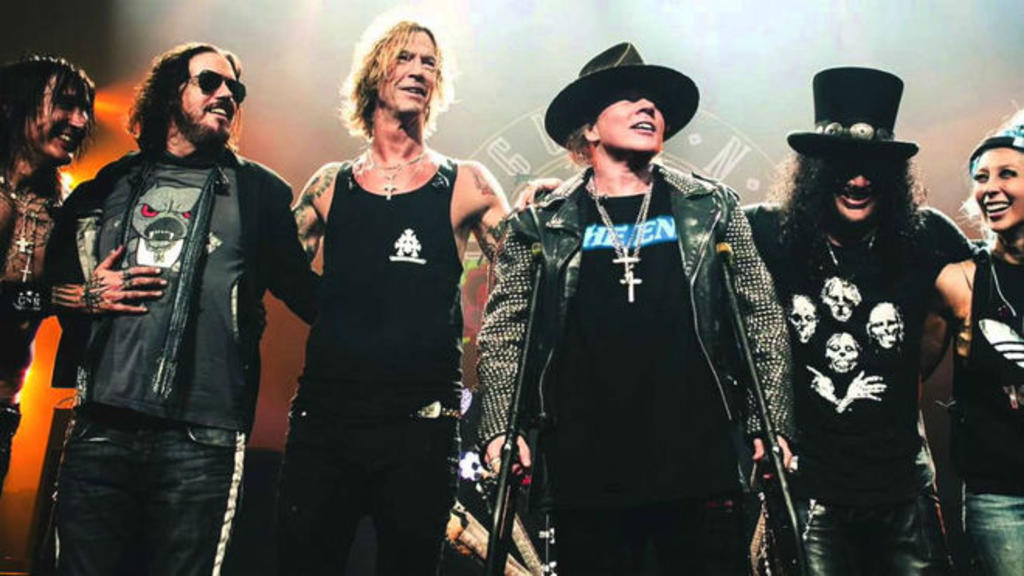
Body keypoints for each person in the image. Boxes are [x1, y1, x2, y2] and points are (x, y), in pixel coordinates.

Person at [476, 42, 794, 576]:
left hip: (697, 463)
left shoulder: (711, 207)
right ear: (590, 128)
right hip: (585, 470)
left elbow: (761, 315)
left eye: (654, 101)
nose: (647, 107)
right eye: (627, 97)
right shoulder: (542, 223)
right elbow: (504, 332)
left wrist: (773, 420)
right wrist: (498, 431)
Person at [45, 42, 318, 575]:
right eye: (210, 82)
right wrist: (86, 295)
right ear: (173, 92)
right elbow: (46, 285)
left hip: (204, 436)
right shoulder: (108, 185)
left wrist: (387, 301)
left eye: (236, 90)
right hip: (103, 426)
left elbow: (304, 293)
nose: (227, 96)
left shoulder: (260, 194)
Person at [279, 19, 510, 575]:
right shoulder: (331, 184)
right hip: (326, 421)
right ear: (374, 73)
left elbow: (523, 273)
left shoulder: (465, 183)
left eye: (430, 63)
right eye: (405, 57)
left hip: (420, 428)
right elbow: (276, 267)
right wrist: (335, 313)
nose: (419, 70)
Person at [746, 67, 971, 575]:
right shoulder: (768, 232)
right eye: (844, 165)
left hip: (903, 490)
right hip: (811, 491)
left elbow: (996, 285)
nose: (860, 180)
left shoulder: (926, 237)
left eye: (874, 167)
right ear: (814, 171)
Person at [928, 114, 1024, 576]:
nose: (990, 188)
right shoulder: (961, 282)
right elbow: (905, 376)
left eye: (1007, 174)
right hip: (999, 498)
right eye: (981, 177)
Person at [0, 55, 94, 494]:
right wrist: (56, 297)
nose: (80, 121)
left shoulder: (61, 208)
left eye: (84, 109)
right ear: (13, 105)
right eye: (66, 105)